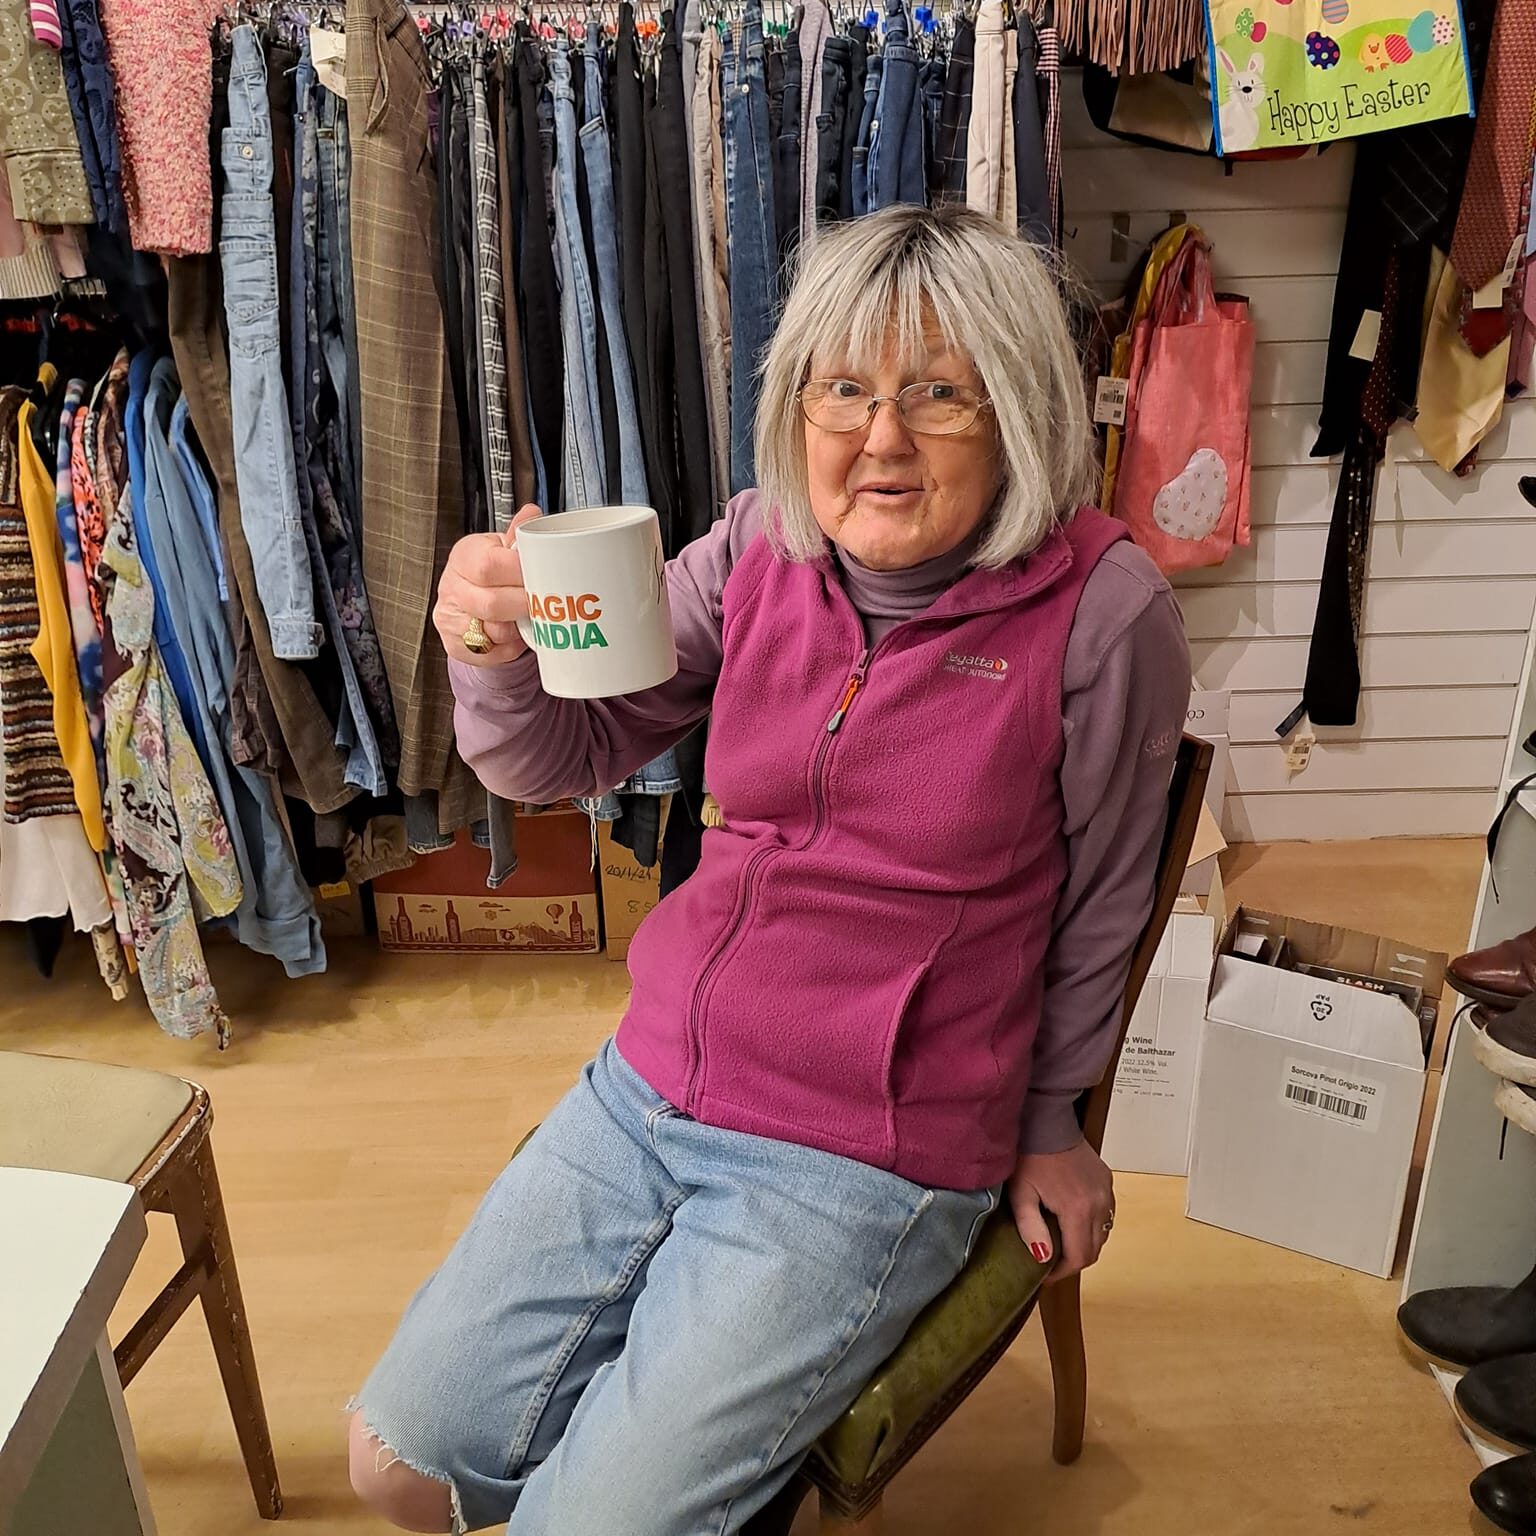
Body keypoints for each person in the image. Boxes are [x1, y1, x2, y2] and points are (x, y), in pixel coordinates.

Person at [348, 204, 1190, 1535]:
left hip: (867, 1149)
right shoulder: (756, 548)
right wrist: (493, 656)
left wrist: (1053, 1125)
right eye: (843, 389)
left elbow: (1104, 905)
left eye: (939, 395)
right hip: (654, 1080)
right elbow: (566, 752)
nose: (880, 439)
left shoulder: (1102, 612)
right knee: (398, 1465)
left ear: (1019, 409)